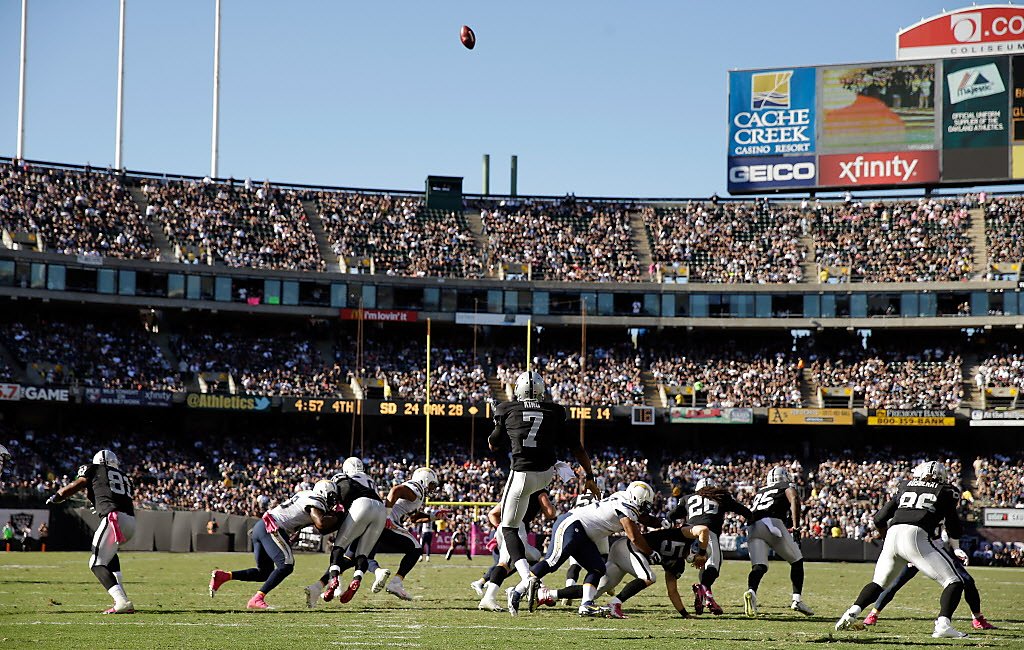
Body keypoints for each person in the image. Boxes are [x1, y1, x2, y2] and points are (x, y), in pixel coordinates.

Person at [489, 370, 599, 602]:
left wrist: (496, 425)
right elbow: (577, 448)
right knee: (516, 520)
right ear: (541, 390)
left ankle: (526, 577)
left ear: (517, 389)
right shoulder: (556, 411)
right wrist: (589, 475)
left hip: (522, 474)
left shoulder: (506, 408)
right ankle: (520, 577)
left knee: (508, 528)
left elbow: (494, 444)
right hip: (546, 475)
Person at [835, 461, 971, 638]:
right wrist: (955, 537)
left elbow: (878, 519)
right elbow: (954, 527)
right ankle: (943, 625)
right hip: (915, 535)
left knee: (878, 583)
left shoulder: (905, 486)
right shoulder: (946, 491)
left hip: (893, 534)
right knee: (954, 582)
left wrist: (887, 540)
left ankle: (851, 612)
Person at [516, 481, 657, 617]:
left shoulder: (623, 499)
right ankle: (517, 591)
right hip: (572, 524)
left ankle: (586, 604)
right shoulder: (625, 506)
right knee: (552, 562)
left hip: (583, 533)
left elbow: (643, 518)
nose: (645, 507)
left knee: (597, 568)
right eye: (644, 503)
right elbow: (634, 537)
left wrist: (662, 522)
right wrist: (651, 552)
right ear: (635, 498)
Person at [209, 479, 339, 609]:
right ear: (324, 492)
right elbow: (321, 524)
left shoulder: (305, 494)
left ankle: (224, 576)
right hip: (272, 528)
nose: (333, 499)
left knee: (264, 572)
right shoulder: (316, 500)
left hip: (261, 526)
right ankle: (257, 598)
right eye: (332, 495)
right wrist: (339, 517)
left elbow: (315, 525)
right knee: (286, 564)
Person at [537, 522, 711, 619]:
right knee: (649, 576)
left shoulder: (677, 563)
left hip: (623, 552)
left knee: (593, 592)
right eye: (699, 559)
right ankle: (614, 604)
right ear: (697, 547)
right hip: (628, 546)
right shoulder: (684, 534)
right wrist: (703, 552)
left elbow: (672, 591)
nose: (698, 563)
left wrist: (685, 614)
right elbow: (703, 529)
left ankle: (547, 595)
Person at [45, 450, 137, 613]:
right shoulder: (123, 475)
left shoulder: (93, 468)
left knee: (96, 562)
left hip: (114, 518)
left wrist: (58, 496)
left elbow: (78, 485)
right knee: (109, 557)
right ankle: (123, 597)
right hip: (130, 521)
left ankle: (121, 601)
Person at [669, 476, 752, 615]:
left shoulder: (687, 498)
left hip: (688, 535)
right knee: (713, 567)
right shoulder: (720, 497)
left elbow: (672, 515)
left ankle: (705, 598)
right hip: (708, 533)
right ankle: (704, 591)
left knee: (703, 566)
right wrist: (751, 518)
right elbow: (743, 510)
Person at [313, 457, 386, 604]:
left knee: (338, 547)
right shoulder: (370, 479)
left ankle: (333, 579)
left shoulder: (343, 476)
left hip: (361, 506)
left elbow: (344, 489)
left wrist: (339, 508)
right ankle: (357, 579)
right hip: (380, 510)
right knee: (362, 554)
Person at [743, 466, 814, 617]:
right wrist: (796, 528)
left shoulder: (761, 492)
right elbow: (794, 498)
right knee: (797, 561)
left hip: (753, 526)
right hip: (772, 524)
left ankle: (751, 592)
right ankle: (796, 600)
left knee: (759, 566)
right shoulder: (786, 486)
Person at [362, 467, 439, 603]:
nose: (432, 488)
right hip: (386, 521)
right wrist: (386, 516)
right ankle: (395, 583)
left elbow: (413, 518)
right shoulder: (417, 488)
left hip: (376, 520)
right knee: (415, 549)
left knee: (363, 556)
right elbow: (395, 490)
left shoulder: (415, 493)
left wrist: (433, 517)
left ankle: (376, 574)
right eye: (432, 484)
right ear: (425, 480)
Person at [472, 487, 556, 611]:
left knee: (533, 556)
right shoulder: (537, 489)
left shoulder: (515, 488)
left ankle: (534, 589)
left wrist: (499, 529)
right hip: (517, 527)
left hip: (504, 527)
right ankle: (510, 592)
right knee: (507, 563)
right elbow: (551, 513)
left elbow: (492, 513)